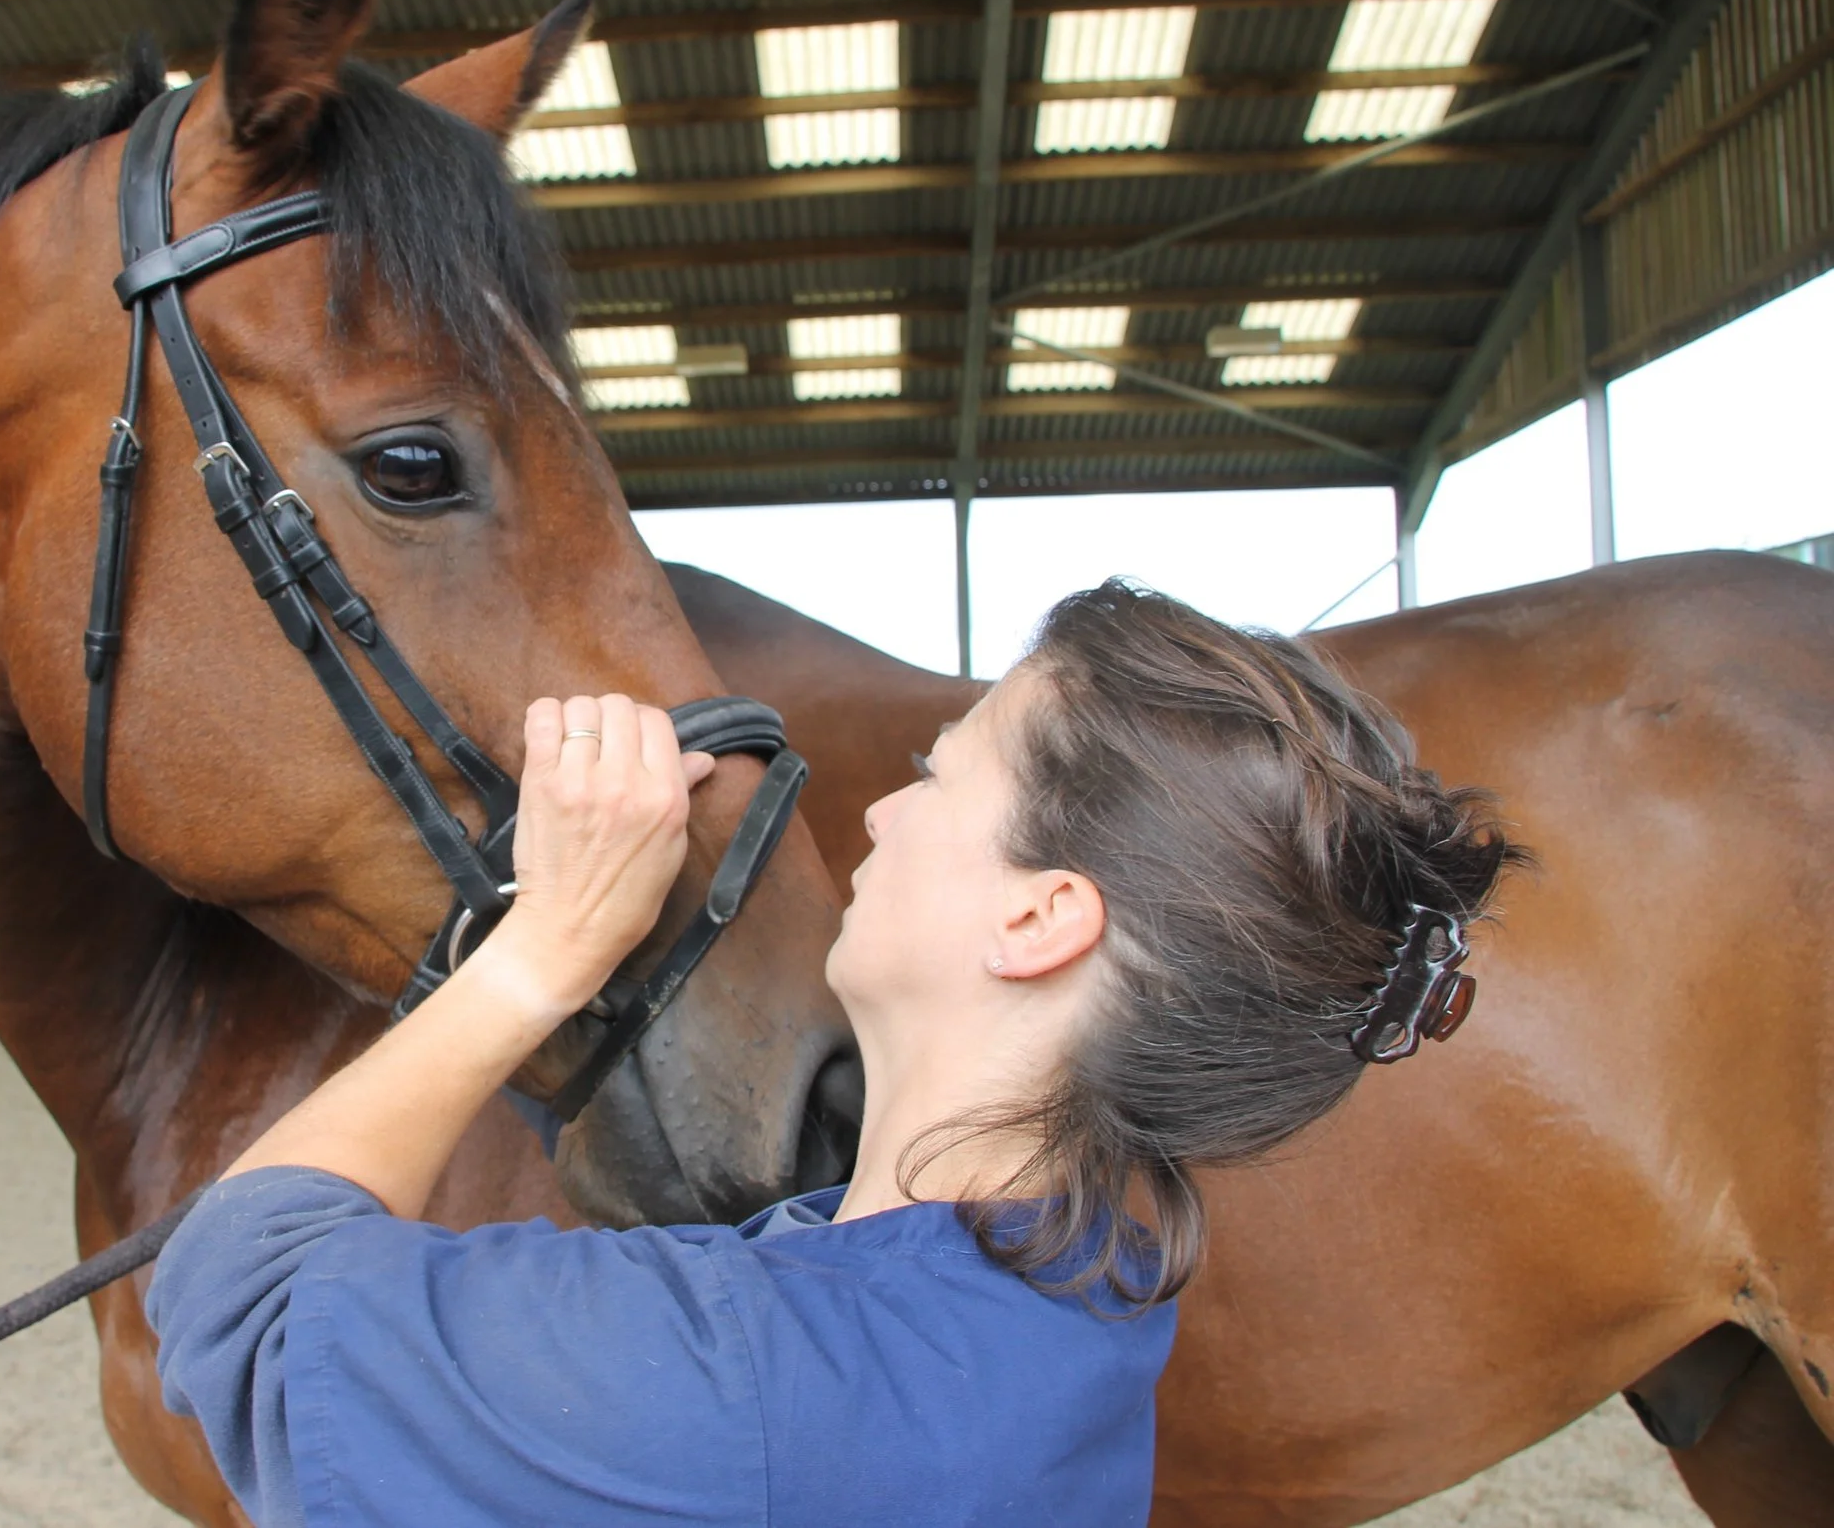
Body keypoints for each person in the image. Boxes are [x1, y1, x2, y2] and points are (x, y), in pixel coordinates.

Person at [145, 581, 1517, 1527]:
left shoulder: (746, 1375)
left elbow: (236, 1288)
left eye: (940, 775)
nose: (881, 817)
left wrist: (542, 948)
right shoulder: (1097, 1270)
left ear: (1039, 917)